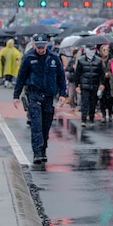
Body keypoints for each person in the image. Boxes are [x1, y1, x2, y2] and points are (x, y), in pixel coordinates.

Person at [13, 35, 68, 165]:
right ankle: (37, 152)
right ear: (34, 45)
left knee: (46, 126)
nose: (41, 49)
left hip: (49, 97)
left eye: (43, 47)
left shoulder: (54, 58)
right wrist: (16, 95)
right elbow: (21, 77)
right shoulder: (29, 58)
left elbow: (61, 77)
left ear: (46, 44)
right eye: (38, 47)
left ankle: (43, 150)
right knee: (36, 125)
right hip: (34, 95)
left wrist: (62, 94)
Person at [75, 46, 105, 127]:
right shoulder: (81, 60)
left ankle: (91, 119)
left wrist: (102, 83)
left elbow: (101, 74)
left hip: (94, 84)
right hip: (84, 85)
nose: (92, 51)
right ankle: (83, 120)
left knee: (93, 103)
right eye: (90, 50)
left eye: (93, 50)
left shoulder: (98, 60)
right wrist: (77, 85)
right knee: (84, 103)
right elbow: (77, 74)